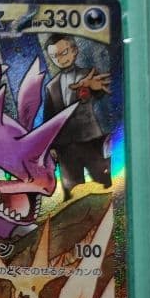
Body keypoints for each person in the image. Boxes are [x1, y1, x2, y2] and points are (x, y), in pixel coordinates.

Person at [42, 34, 112, 200]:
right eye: (55, 56)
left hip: (90, 139)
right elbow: (49, 119)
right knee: (72, 189)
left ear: (74, 51)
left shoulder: (88, 75)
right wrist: (51, 146)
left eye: (64, 52)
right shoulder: (51, 87)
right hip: (65, 147)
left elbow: (101, 92)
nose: (60, 59)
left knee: (104, 180)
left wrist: (95, 88)